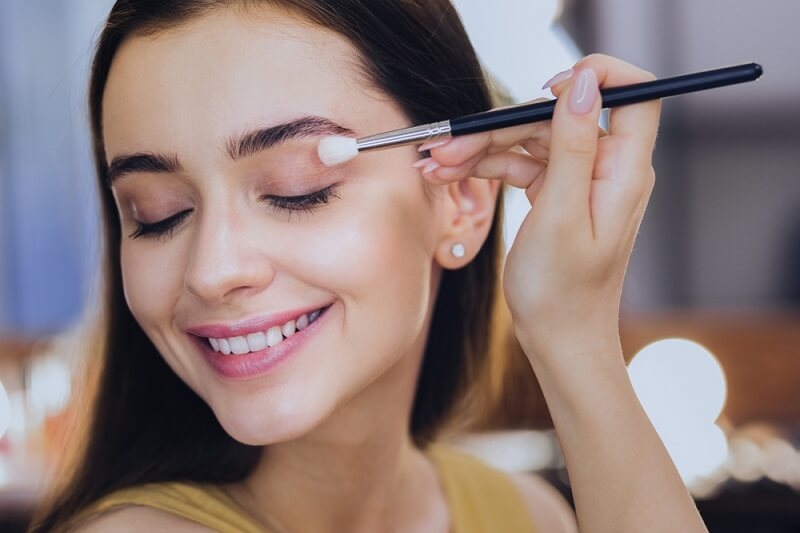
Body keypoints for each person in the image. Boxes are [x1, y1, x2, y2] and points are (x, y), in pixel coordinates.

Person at [30, 1, 707, 531]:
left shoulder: (525, 516)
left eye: (297, 190)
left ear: (462, 199)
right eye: (157, 213)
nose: (212, 269)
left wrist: (573, 331)